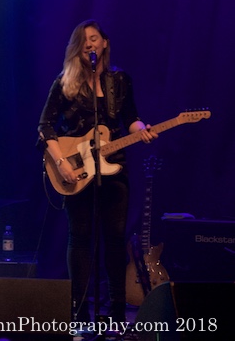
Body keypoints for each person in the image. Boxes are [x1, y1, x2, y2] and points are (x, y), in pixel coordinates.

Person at [38, 20, 156, 322]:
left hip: (114, 168)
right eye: (83, 40)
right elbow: (45, 126)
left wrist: (141, 130)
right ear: (77, 48)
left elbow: (131, 118)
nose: (90, 43)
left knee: (115, 238)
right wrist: (61, 163)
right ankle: (78, 311)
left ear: (104, 43)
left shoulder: (120, 80)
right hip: (75, 169)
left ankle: (117, 312)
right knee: (80, 237)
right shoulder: (65, 82)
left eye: (94, 38)